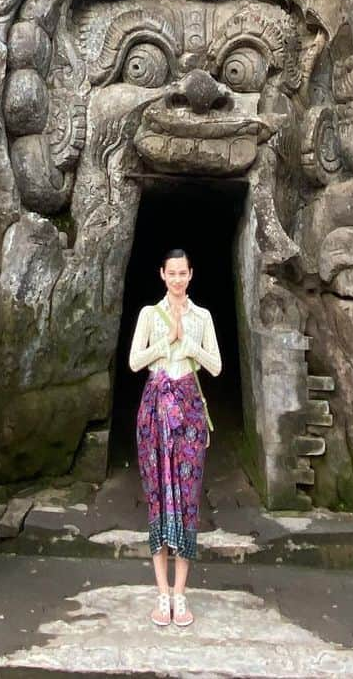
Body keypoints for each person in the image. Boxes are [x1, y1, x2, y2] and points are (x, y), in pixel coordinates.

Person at [128, 247, 222, 628]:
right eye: (172, 273)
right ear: (162, 275)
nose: (178, 279)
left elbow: (215, 367)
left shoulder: (203, 317)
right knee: (158, 498)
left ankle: (181, 595)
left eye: (184, 273)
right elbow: (135, 362)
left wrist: (189, 342)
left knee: (186, 500)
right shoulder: (149, 315)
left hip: (189, 413)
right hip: (154, 413)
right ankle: (161, 593)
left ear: (191, 274)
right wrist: (167, 340)